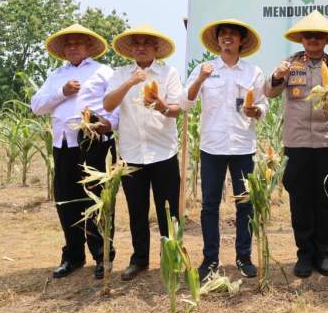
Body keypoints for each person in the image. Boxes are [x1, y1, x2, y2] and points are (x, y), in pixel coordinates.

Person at [265, 10, 328, 278]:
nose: (313, 39)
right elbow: (269, 91)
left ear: (326, 39)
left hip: (327, 142)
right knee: (300, 200)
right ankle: (304, 254)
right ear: (301, 39)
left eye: (318, 36)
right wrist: (277, 76)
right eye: (308, 35)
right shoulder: (289, 64)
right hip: (297, 142)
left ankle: (323, 255)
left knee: (325, 199)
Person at [182, 19, 267, 281]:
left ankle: (244, 257)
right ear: (217, 40)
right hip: (212, 146)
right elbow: (185, 102)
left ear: (241, 40)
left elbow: (263, 105)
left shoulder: (253, 72)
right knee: (209, 205)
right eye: (222, 34)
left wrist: (256, 111)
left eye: (232, 34)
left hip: (243, 146)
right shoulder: (204, 69)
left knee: (245, 204)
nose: (227, 37)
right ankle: (210, 259)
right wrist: (201, 78)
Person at [31, 24, 118, 279]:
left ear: (89, 46)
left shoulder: (103, 72)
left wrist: (109, 124)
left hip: (95, 143)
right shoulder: (57, 76)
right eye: (68, 44)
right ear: (63, 50)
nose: (73, 47)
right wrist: (62, 92)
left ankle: (102, 256)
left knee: (96, 199)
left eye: (78, 43)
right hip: (63, 145)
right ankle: (73, 255)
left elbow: (117, 105)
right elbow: (37, 106)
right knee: (66, 201)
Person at [103, 23, 182, 281]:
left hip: (163, 152)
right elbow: (108, 104)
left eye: (147, 43)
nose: (141, 47)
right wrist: (130, 82)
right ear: (130, 49)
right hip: (131, 152)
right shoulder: (120, 74)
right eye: (136, 43)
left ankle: (171, 257)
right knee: (137, 210)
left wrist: (160, 105)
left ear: (156, 48)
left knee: (168, 210)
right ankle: (139, 260)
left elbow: (176, 109)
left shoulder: (168, 73)